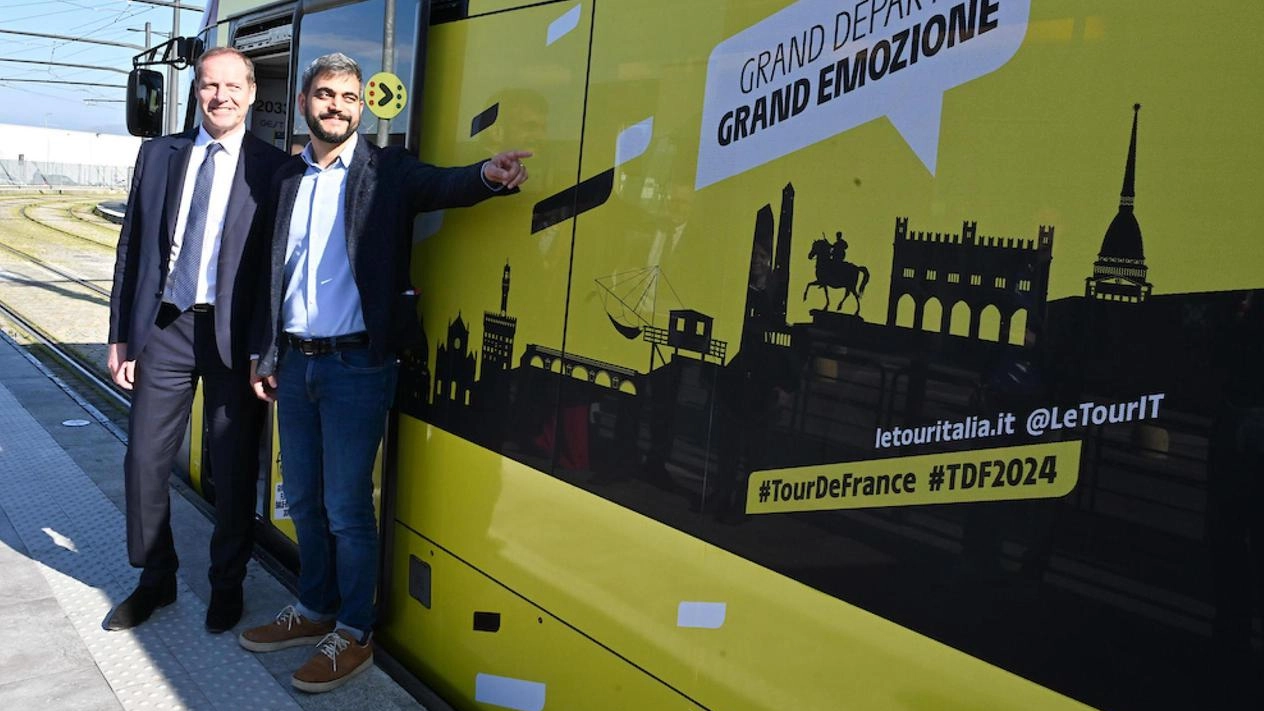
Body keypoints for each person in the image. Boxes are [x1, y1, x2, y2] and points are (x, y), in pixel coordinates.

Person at [237, 52, 530, 693]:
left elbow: (444, 184)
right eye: (324, 94)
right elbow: (271, 277)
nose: (335, 106)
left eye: (347, 96)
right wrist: (267, 353)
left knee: (346, 507)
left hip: (355, 365)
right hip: (296, 361)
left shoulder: (384, 171)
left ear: (362, 107)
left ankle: (354, 631)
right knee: (305, 501)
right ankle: (313, 609)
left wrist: (488, 173)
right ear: (305, 102)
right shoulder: (286, 179)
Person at [105, 47, 288, 634]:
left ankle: (226, 584)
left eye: (233, 86)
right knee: (143, 462)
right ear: (197, 91)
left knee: (233, 469)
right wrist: (119, 336)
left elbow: (278, 269)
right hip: (165, 327)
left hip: (234, 337)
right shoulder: (158, 155)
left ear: (253, 93)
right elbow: (131, 249)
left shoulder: (275, 167)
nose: (221, 96)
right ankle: (154, 578)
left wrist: (269, 348)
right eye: (210, 85)